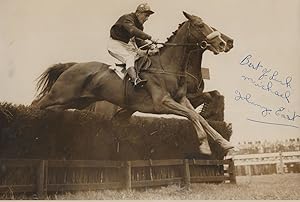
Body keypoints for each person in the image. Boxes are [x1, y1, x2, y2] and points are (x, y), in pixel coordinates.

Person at [107, 3, 158, 88]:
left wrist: (150, 46)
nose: (147, 18)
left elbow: (138, 40)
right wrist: (150, 38)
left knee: (142, 56)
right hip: (115, 44)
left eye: (148, 16)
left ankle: (126, 72)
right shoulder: (127, 18)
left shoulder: (139, 26)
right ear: (138, 13)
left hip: (126, 44)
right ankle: (135, 80)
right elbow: (132, 30)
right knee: (129, 57)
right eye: (146, 15)